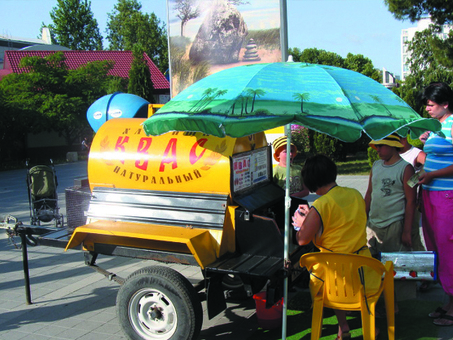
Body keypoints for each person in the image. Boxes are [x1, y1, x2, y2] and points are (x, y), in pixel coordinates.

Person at [292, 155, 380, 340]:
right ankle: (366, 325)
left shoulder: (320, 205)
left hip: (332, 276)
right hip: (363, 271)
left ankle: (343, 327)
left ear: (310, 181)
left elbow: (302, 240)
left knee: (333, 281)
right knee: (343, 276)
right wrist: (313, 217)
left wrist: (303, 222)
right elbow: (344, 221)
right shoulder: (355, 194)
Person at [417, 82, 453, 326]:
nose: (427, 108)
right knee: (435, 249)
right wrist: (426, 140)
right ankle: (448, 300)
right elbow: (433, 156)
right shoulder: (438, 126)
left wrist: (432, 176)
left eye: (431, 104)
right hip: (429, 195)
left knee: (448, 250)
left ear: (445, 104)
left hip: (446, 197)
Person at [365, 133, 416, 257]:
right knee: (371, 261)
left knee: (392, 264)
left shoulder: (406, 168)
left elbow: (411, 201)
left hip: (394, 224)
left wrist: (407, 231)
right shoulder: (376, 165)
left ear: (393, 146)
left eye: (381, 146)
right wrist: (362, 218)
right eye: (376, 146)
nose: (377, 150)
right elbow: (369, 193)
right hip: (373, 223)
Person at [399, 135, 426, 252]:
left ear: (404, 138)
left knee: (413, 236)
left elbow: (430, 167)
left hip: (411, 202)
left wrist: (411, 181)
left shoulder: (416, 153)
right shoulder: (394, 153)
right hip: (398, 202)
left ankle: (424, 263)